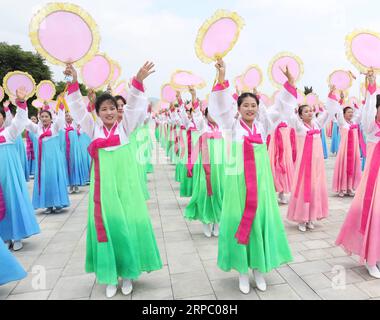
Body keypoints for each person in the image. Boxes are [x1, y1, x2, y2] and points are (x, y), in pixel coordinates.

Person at [64, 62, 162, 298]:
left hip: (126, 187)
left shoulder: (125, 127)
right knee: (108, 226)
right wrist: (72, 82)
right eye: (104, 109)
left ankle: (127, 274)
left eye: (113, 108)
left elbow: (135, 106)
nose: (109, 112)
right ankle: (110, 275)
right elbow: (77, 109)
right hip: (103, 189)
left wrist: (138, 81)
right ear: (97, 112)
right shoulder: (92, 128)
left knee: (126, 225)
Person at [209, 59, 292, 294]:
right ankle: (243, 272)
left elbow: (280, 108)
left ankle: (258, 268)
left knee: (260, 221)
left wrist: (290, 84)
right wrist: (222, 77)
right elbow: (222, 106)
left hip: (261, 183)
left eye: (253, 105)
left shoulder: (262, 125)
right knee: (239, 219)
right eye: (245, 105)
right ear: (238, 108)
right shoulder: (231, 126)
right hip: (239, 184)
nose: (249, 109)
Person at [336, 69, 380, 278]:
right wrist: (371, 86)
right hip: (375, 181)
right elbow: (369, 111)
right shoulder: (372, 129)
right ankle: (370, 258)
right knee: (373, 215)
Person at [280, 67, 330, 232]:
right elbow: (289, 110)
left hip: (316, 165)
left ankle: (311, 217)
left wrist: (332, 95)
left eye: (310, 110)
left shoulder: (316, 124)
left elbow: (328, 113)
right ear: (300, 115)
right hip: (303, 165)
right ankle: (301, 218)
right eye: (305, 111)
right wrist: (291, 84)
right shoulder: (298, 125)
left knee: (315, 187)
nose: (309, 112)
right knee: (303, 187)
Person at [0, 87, 40, 251]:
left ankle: (17, 236)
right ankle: (5, 236)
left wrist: (22, 103)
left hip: (9, 175)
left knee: (12, 200)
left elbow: (20, 120)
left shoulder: (9, 132)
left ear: (3, 118)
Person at [26, 105, 70, 214]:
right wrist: (22, 106)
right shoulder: (37, 129)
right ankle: (48, 205)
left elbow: (60, 120)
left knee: (55, 178)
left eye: (46, 116)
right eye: (42, 116)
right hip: (43, 161)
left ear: (51, 118)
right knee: (46, 180)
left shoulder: (54, 128)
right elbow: (26, 122)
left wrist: (60, 107)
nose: (44, 118)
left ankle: (58, 203)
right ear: (39, 118)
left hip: (55, 160)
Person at [330, 98, 362, 197]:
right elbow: (339, 113)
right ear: (344, 114)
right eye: (348, 112)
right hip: (344, 150)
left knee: (353, 167)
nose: (351, 114)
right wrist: (340, 102)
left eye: (351, 112)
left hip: (354, 151)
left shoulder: (354, 123)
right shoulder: (342, 123)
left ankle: (350, 187)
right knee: (343, 167)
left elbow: (359, 115)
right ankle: (342, 188)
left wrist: (359, 107)